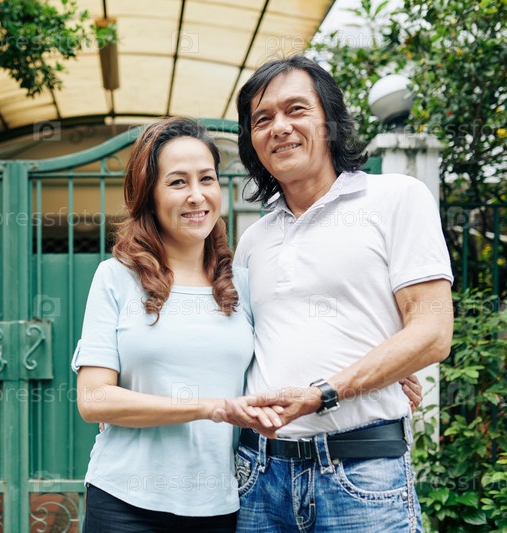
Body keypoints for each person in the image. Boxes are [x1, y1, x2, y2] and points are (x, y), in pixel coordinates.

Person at [224, 55, 454, 532]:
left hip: (361, 472)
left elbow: (432, 333)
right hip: (259, 477)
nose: (279, 127)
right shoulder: (253, 240)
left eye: (296, 109)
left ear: (330, 120)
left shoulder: (396, 198)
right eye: (262, 120)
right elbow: (236, 347)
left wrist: (326, 392)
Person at [71, 117, 283, 532]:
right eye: (177, 182)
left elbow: (291, 348)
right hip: (124, 503)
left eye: (207, 179)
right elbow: (93, 399)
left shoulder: (243, 283)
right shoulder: (116, 278)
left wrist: (379, 377)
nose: (196, 195)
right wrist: (210, 407)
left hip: (218, 505)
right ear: (149, 195)